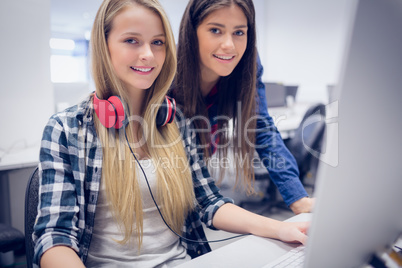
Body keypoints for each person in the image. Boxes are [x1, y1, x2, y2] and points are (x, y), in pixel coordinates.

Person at [33, 0, 309, 267]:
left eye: (158, 42)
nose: (149, 55)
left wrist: (281, 227)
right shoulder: (68, 128)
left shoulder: (175, 120)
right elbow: (55, 237)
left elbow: (209, 201)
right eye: (132, 40)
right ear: (103, 45)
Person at [172, 0, 314, 214]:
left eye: (239, 32)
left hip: (201, 174)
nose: (229, 44)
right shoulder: (165, 70)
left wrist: (297, 197)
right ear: (192, 31)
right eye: (215, 30)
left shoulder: (248, 64)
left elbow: (261, 127)